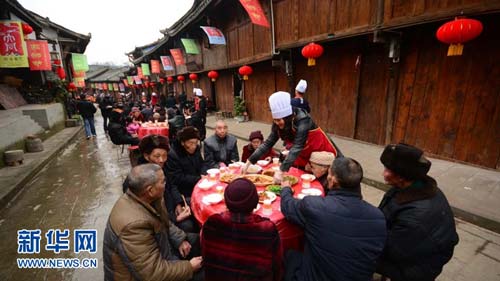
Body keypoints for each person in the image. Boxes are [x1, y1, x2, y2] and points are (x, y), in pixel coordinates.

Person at [281, 157, 387, 281]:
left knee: (288, 254)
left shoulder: (316, 206)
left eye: (329, 173)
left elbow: (288, 207)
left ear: (332, 180)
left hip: (316, 276)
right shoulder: (378, 217)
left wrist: (286, 189)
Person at [103, 164, 203, 281]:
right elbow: (152, 274)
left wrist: (179, 239)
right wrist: (189, 267)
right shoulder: (133, 226)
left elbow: (164, 221)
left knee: (200, 241)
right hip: (144, 274)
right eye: (163, 182)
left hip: (161, 248)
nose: (166, 184)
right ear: (150, 190)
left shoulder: (148, 197)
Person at [376, 143, 459, 281]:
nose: (383, 173)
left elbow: (392, 250)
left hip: (417, 267)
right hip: (411, 249)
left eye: (388, 170)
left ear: (402, 176)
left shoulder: (416, 217)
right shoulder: (406, 187)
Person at [244, 91, 342, 182]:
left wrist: (281, 170)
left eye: (279, 120)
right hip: (306, 154)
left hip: (323, 152)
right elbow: (268, 143)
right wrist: (249, 161)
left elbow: (297, 146)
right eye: (275, 120)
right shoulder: (279, 123)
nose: (277, 123)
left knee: (330, 180)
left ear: (287, 117)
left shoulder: (303, 119)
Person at [202, 178, 283, 281]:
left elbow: (206, 258)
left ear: (226, 202)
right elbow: (277, 267)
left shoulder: (211, 224)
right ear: (255, 203)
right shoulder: (266, 230)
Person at [134, 135, 195, 233]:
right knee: (188, 225)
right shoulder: (140, 179)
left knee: (194, 203)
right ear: (146, 156)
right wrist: (176, 219)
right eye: (157, 156)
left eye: (164, 155)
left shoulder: (163, 166)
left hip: (171, 206)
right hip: (162, 222)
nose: (162, 160)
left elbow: (172, 185)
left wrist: (178, 203)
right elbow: (150, 215)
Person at [166, 126, 208, 202]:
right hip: (185, 190)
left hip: (199, 183)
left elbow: (202, 164)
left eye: (195, 143)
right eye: (190, 143)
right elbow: (177, 177)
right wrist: (198, 178)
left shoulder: (196, 148)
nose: (193, 146)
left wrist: (203, 173)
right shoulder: (174, 154)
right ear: (182, 142)